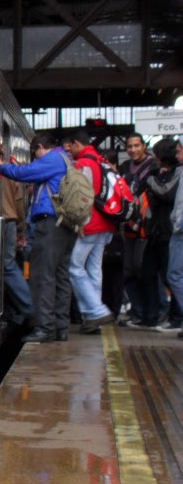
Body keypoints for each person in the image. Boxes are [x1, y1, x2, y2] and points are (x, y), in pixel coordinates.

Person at [0, 132, 77, 343]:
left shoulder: (52, 159)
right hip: (64, 225)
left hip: (51, 224)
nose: (35, 157)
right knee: (61, 276)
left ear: (39, 147)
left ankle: (45, 328)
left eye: (35, 153)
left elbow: (25, 173)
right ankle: (60, 327)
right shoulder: (66, 159)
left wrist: (0, 166)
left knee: (43, 277)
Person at [62, 130, 117, 334]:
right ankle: (93, 319)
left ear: (77, 144)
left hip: (91, 223)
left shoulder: (84, 164)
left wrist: (81, 223)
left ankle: (96, 311)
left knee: (74, 267)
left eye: (71, 146)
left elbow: (82, 197)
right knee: (94, 270)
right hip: (106, 223)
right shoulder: (102, 161)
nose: (71, 151)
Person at [138, 139, 181, 331]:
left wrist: (151, 180)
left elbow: (167, 193)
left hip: (170, 232)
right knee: (147, 274)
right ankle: (151, 316)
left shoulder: (178, 172)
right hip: (156, 231)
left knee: (171, 276)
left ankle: (176, 318)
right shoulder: (160, 173)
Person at [119, 133, 157, 324]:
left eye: (136, 146)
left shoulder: (153, 167)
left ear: (144, 146)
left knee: (143, 271)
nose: (133, 150)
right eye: (129, 146)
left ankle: (151, 314)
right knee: (129, 271)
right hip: (129, 227)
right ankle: (138, 312)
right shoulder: (125, 167)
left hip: (147, 227)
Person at [0, 142, 32, 327]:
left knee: (3, 267)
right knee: (8, 266)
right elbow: (19, 200)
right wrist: (21, 228)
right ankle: (21, 309)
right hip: (10, 221)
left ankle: (27, 308)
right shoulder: (10, 169)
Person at [100, 149, 125, 324]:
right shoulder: (119, 182)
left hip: (116, 235)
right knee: (106, 276)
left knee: (115, 277)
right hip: (108, 234)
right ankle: (108, 309)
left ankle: (113, 310)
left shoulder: (116, 183)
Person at [162, 140, 183, 340]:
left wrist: (177, 224)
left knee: (175, 275)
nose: (177, 156)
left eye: (179, 151)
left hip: (180, 232)